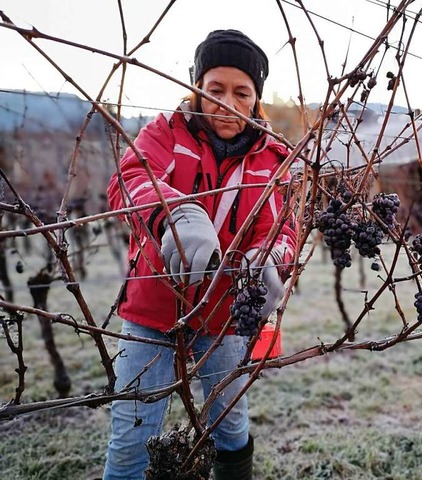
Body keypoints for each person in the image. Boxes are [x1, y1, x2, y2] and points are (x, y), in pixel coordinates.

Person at [103, 29, 297, 480]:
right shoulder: (165, 133)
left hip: (223, 313)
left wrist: (272, 257)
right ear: (198, 89)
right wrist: (176, 214)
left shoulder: (274, 158)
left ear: (255, 98)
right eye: (215, 90)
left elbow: (280, 226)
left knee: (229, 424)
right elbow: (128, 180)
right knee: (132, 439)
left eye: (241, 92)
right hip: (151, 311)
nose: (227, 102)